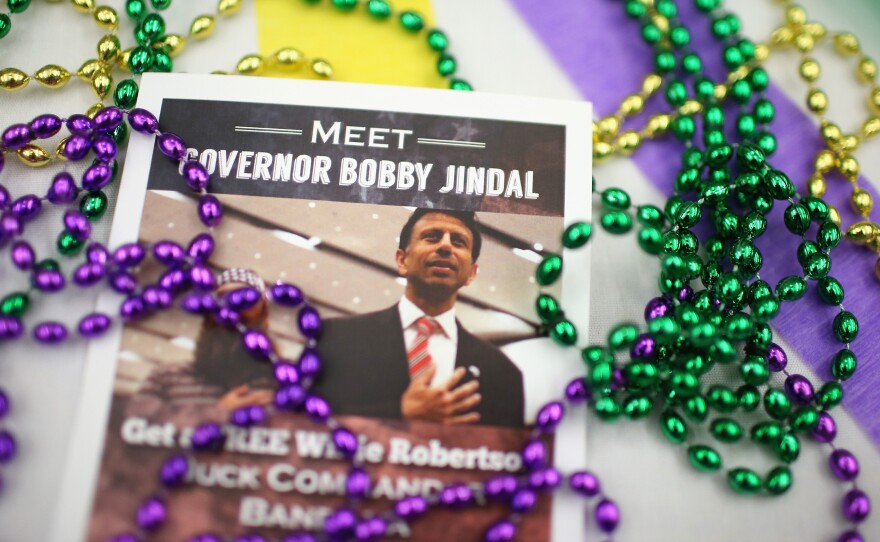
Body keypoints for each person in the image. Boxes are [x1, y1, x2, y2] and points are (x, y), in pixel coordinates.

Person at [314, 208, 525, 428]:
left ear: (471, 273)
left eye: (459, 242)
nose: (445, 246)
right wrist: (399, 413)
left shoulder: (503, 374)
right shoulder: (337, 339)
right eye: (431, 237)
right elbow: (300, 423)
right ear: (402, 260)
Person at [137, 268, 275, 410]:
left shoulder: (286, 383)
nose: (233, 307)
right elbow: (133, 427)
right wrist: (219, 412)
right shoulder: (166, 378)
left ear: (265, 316)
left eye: (246, 299)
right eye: (223, 297)